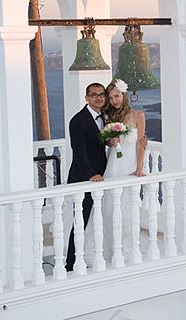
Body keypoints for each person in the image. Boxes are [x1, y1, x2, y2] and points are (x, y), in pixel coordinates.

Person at [84, 78, 146, 264]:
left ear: (124, 94)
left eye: (116, 96)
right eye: (110, 98)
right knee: (108, 209)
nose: (113, 101)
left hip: (129, 166)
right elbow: (106, 141)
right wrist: (110, 141)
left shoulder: (138, 115)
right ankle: (108, 252)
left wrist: (139, 168)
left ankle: (127, 253)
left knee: (127, 214)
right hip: (113, 166)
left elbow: (140, 142)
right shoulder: (109, 116)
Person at [65, 82, 108, 271]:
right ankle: (71, 263)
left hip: (101, 177)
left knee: (96, 220)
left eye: (101, 94)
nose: (98, 98)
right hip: (84, 179)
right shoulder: (78, 120)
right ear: (86, 98)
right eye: (93, 95)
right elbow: (79, 152)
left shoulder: (104, 118)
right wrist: (91, 175)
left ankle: (93, 255)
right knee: (80, 222)